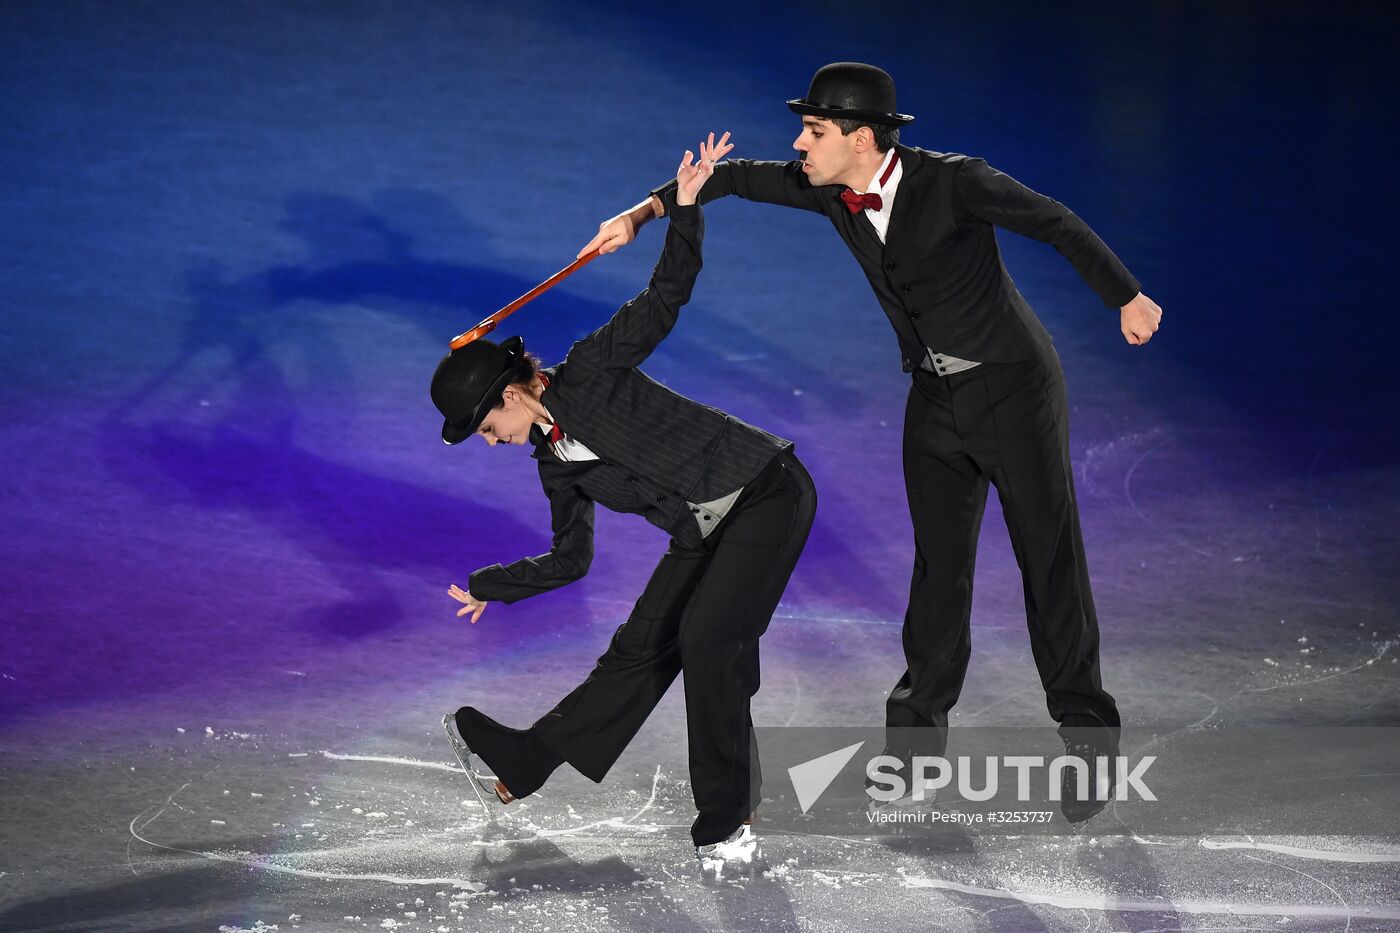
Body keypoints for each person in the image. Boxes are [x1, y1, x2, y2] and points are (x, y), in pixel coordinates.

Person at [583, 63, 1163, 822]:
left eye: (814, 132)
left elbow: (1054, 221)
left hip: (1015, 390)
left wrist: (1127, 293)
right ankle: (916, 752)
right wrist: (645, 211)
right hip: (934, 398)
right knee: (938, 572)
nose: (799, 143)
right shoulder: (830, 188)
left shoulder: (957, 182)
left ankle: (1088, 742)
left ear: (861, 138)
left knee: (1047, 561)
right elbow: (733, 179)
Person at [431, 141, 816, 863]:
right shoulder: (553, 464)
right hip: (703, 531)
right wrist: (493, 587)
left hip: (763, 490)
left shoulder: (593, 367)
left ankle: (728, 822)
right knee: (641, 648)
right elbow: (571, 557)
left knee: (708, 642)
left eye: (489, 427)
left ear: (514, 394)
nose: (491, 442)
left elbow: (665, 298)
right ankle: (525, 762)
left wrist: (685, 210)